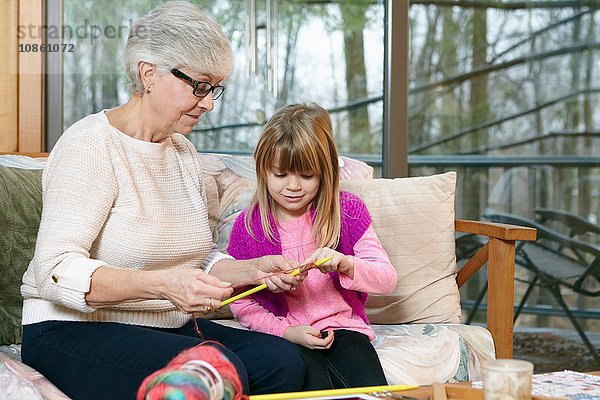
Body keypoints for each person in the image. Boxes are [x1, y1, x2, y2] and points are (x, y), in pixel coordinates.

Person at [19, 2, 307, 399]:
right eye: (199, 86)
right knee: (215, 370)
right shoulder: (89, 146)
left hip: (163, 327)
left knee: (282, 361)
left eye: (214, 88)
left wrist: (252, 271)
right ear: (148, 73)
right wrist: (163, 285)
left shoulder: (182, 153)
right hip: (73, 330)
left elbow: (193, 259)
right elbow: (56, 269)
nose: (209, 103)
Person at [227, 103, 398, 390]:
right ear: (263, 171)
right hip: (287, 337)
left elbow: (387, 279)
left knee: (373, 391)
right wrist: (286, 331)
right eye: (280, 175)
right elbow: (240, 301)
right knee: (311, 386)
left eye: (306, 175)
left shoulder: (348, 212)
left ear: (325, 172)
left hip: (346, 331)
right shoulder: (249, 227)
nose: (293, 186)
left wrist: (346, 263)